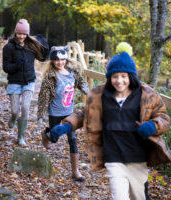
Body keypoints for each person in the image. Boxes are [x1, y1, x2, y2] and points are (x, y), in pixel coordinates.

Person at [50, 42, 171, 199]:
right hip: (113, 157)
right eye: (115, 76)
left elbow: (163, 117)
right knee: (119, 196)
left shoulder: (147, 94)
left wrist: (152, 126)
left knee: (139, 196)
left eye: (123, 76)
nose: (119, 80)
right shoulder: (101, 95)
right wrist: (66, 126)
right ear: (109, 77)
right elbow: (84, 114)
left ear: (131, 76)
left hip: (137, 157)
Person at [38, 45, 89, 181]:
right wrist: (41, 115)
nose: (60, 62)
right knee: (54, 138)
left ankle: (75, 171)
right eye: (57, 60)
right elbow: (43, 96)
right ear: (52, 61)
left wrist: (88, 92)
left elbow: (82, 83)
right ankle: (45, 134)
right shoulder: (51, 76)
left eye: (62, 59)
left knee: (72, 139)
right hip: (55, 111)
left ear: (66, 59)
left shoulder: (73, 73)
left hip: (69, 113)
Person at [3, 19, 49, 146]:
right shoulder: (9, 47)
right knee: (14, 110)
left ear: (27, 34)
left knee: (25, 107)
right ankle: (13, 117)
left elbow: (43, 58)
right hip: (14, 82)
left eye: (24, 34)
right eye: (19, 34)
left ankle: (21, 137)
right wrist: (16, 66)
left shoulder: (31, 46)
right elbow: (6, 67)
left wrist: (45, 44)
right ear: (15, 33)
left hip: (29, 81)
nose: (22, 37)